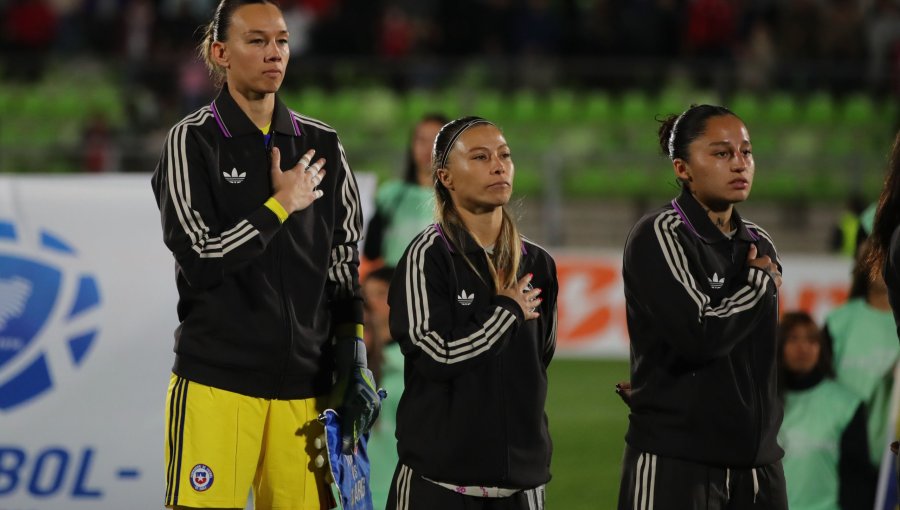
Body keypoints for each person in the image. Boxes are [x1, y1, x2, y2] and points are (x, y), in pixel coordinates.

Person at [150, 2, 379, 509]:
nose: (274, 53)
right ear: (221, 53)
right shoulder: (191, 142)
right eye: (256, 40)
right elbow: (201, 258)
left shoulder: (323, 145)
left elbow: (343, 261)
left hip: (306, 394)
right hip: (217, 383)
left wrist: (352, 352)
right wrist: (279, 206)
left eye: (281, 40)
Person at [618, 104, 787, 510]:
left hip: (758, 464)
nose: (739, 163)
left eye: (746, 151)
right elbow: (700, 335)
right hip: (677, 461)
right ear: (682, 168)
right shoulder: (660, 234)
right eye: (722, 153)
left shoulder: (758, 242)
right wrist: (759, 283)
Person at [386, 116, 558, 509]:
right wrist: (505, 313)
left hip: (522, 488)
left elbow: (539, 358)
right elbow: (435, 356)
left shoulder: (539, 263)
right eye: (480, 157)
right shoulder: (427, 257)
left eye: (505, 155)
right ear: (445, 177)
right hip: (438, 485)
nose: (498, 166)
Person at [777, 311, 876, 510]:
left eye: (811, 339)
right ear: (778, 345)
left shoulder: (847, 404)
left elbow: (857, 481)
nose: (803, 347)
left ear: (821, 347)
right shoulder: (762, 404)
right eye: (793, 338)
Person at [824, 240, 900, 471]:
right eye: (875, 259)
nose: (882, 267)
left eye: (888, 259)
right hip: (846, 447)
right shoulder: (837, 322)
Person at [363, 113, 448, 268]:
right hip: (394, 278)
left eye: (436, 140)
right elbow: (371, 252)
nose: (428, 148)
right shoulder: (390, 194)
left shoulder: (459, 200)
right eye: (421, 140)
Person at [360, 265, 402, 510]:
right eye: (366, 294)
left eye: (380, 293)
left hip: (393, 496)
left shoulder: (411, 368)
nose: (370, 302)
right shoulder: (349, 366)